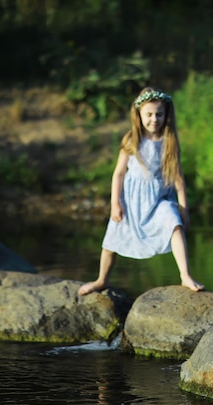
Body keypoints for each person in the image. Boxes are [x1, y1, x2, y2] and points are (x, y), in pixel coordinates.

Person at [78, 87, 205, 296]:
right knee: (111, 241)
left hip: (158, 200)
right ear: (139, 115)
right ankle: (101, 280)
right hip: (131, 201)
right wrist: (115, 203)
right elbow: (118, 173)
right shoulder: (131, 139)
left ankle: (185, 275)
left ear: (166, 115)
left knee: (174, 223)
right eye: (149, 114)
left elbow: (178, 178)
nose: (154, 119)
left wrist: (184, 209)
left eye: (159, 114)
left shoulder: (169, 141)